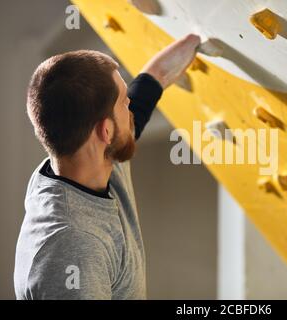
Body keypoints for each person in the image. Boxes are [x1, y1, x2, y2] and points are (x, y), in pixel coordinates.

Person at [14, 34, 201, 299]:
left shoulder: (84, 157)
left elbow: (144, 93)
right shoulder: (75, 246)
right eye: (124, 104)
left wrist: (194, 38)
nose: (131, 111)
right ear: (105, 131)